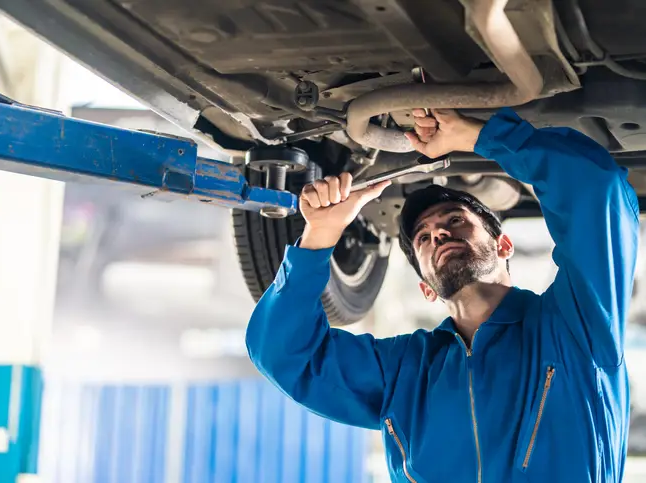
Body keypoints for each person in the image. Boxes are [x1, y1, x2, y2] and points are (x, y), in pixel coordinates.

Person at [245, 107, 641, 482]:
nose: (438, 233)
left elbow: (596, 190)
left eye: (455, 220)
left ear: (504, 245)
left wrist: (479, 136)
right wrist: (320, 236)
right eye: (422, 238)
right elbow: (285, 356)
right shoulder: (407, 372)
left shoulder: (575, 327)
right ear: (426, 288)